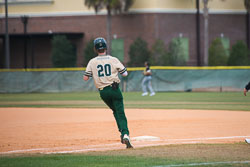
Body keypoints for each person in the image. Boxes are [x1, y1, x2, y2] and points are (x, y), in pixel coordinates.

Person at [83, 37, 133, 149]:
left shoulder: (92, 61)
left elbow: (85, 78)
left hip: (103, 92)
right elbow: (125, 74)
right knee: (120, 112)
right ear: (106, 47)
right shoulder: (113, 59)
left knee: (115, 111)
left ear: (95, 49)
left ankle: (122, 132)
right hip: (114, 89)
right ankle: (125, 134)